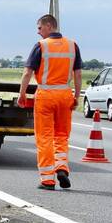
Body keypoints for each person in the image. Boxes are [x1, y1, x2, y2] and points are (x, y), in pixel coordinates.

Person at [17, 14, 83, 190]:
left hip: (46, 95)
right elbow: (77, 74)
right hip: (65, 95)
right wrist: (76, 96)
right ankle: (61, 167)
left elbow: (27, 73)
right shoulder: (72, 46)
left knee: (45, 137)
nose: (38, 32)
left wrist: (22, 94)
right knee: (61, 135)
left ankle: (47, 179)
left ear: (49, 26)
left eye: (39, 28)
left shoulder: (41, 46)